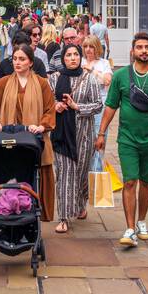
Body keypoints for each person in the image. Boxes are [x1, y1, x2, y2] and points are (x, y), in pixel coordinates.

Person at [94, 31, 148, 248]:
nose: (144, 51)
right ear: (132, 51)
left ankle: (142, 221)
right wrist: (102, 133)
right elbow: (111, 106)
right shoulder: (122, 76)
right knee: (130, 180)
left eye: (147, 47)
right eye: (140, 47)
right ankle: (130, 228)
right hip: (127, 139)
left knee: (147, 182)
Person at [0, 44, 56, 222]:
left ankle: (36, 211)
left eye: (22, 59)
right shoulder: (3, 83)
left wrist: (42, 126)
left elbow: (50, 110)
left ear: (31, 62)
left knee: (38, 172)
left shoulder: (41, 84)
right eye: (15, 59)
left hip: (32, 141)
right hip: (8, 140)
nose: (17, 62)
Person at [47, 43, 103, 234]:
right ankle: (63, 217)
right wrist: (56, 106)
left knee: (80, 174)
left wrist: (77, 107)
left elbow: (98, 105)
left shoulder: (89, 79)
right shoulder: (54, 79)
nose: (73, 58)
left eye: (76, 55)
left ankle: (80, 204)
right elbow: (46, 103)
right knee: (64, 175)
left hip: (83, 137)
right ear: (63, 58)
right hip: (61, 135)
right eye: (69, 55)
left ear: (80, 57)